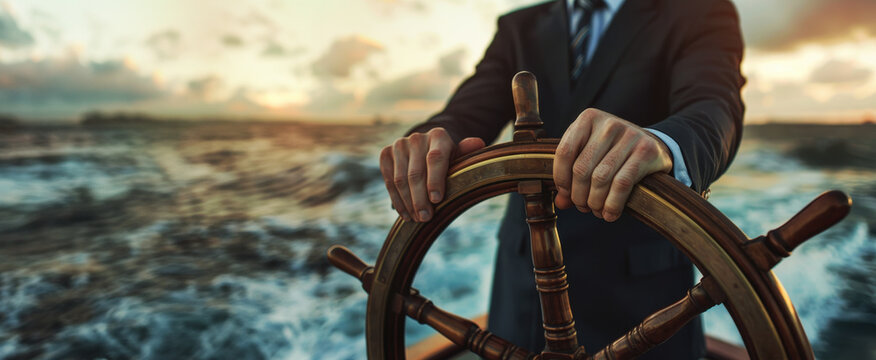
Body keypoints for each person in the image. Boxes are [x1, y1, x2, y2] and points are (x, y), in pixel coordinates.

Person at [378, 0, 744, 358]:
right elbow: (465, 113)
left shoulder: (699, 10)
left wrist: (663, 142)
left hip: (643, 305)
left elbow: (714, 108)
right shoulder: (518, 27)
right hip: (521, 300)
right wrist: (431, 142)